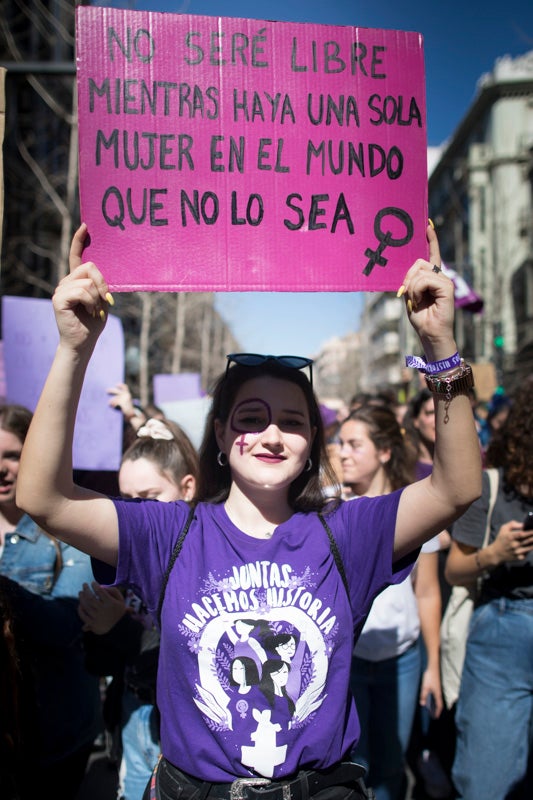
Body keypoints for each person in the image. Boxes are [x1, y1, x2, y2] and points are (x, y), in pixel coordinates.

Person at [16, 221, 481, 800]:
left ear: (314, 438)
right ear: (219, 433)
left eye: (291, 421)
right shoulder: (170, 533)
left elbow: (456, 488)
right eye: (250, 418)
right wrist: (73, 348)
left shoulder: (350, 532)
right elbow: (44, 499)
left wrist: (439, 344)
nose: (270, 435)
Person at [79, 416, 199, 800]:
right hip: (131, 720)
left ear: (188, 488)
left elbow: (188, 662)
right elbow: (101, 664)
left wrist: (120, 630)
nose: (134, 511)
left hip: (181, 732)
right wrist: (97, 629)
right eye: (124, 499)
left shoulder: (205, 561)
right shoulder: (122, 557)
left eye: (147, 497)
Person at [338, 404, 444, 800]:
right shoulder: (328, 510)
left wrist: (432, 665)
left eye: (354, 444)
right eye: (340, 443)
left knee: (392, 765)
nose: (343, 452)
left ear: (384, 451)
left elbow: (428, 592)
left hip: (403, 660)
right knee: (354, 766)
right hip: (346, 662)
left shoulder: (414, 509)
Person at [0, 403, 102, 800]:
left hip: (54, 737)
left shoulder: (70, 529)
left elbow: (64, 622)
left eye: (13, 455)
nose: (3, 468)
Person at [445, 379, 533, 800]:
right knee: (487, 779)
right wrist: (495, 553)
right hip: (503, 630)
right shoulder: (493, 487)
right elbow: (454, 570)